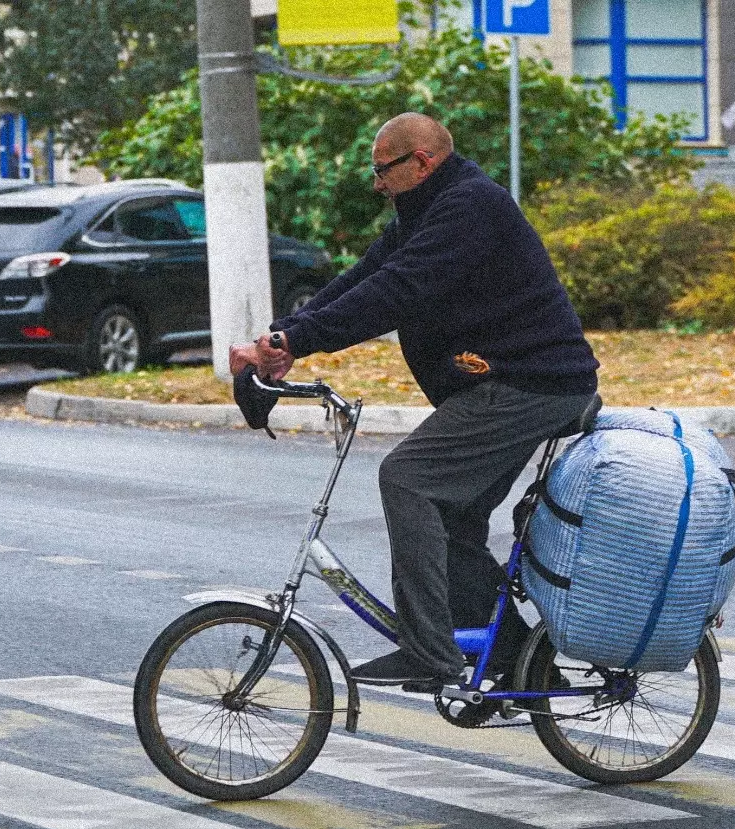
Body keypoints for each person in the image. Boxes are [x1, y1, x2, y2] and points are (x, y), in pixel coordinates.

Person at [229, 112, 599, 690]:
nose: (376, 184)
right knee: (450, 524)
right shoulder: (427, 212)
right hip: (505, 385)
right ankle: (520, 658)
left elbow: (398, 292)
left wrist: (296, 340)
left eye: (383, 170)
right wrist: (281, 339)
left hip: (531, 385)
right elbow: (367, 276)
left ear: (420, 162)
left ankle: (429, 650)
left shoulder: (472, 207)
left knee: (408, 478)